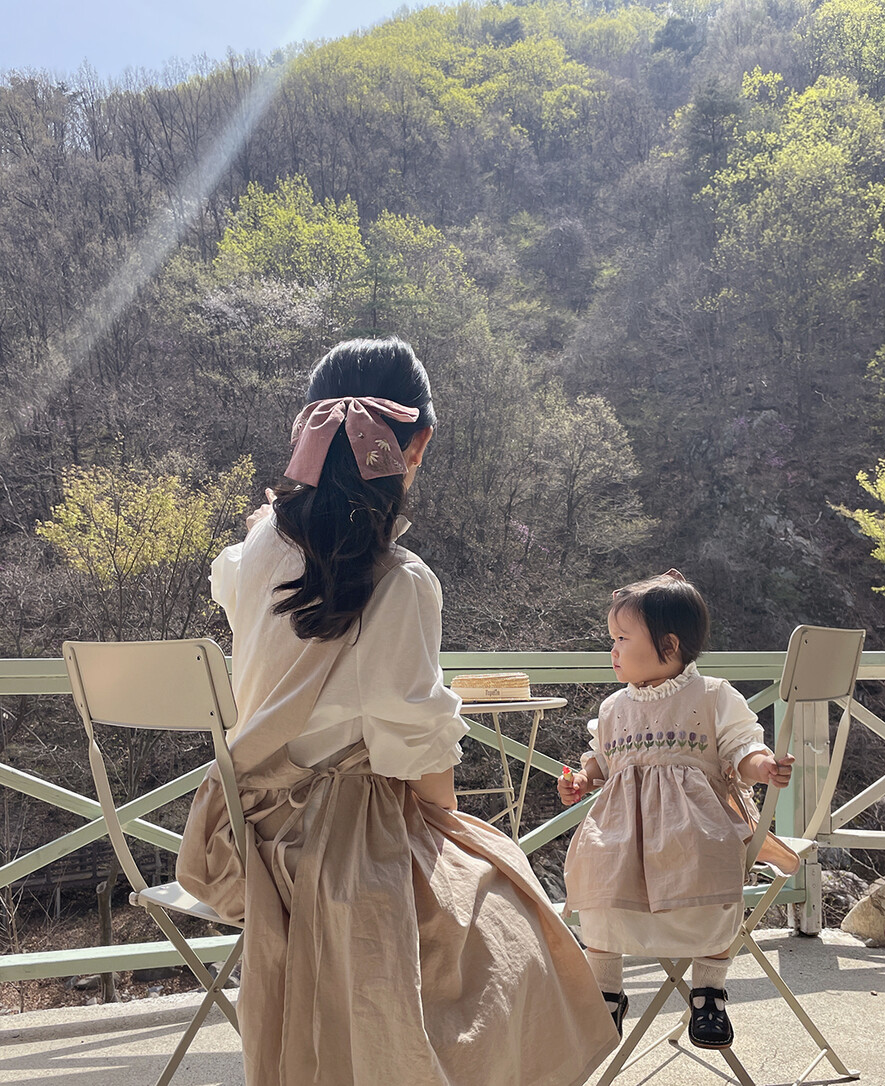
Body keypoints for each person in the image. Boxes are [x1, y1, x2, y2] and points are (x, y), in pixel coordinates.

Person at [177, 337, 619, 1086]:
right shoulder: (402, 582)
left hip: (243, 831)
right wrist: (452, 830)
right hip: (339, 843)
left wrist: (263, 525)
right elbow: (416, 753)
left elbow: (237, 571)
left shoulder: (256, 555)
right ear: (418, 446)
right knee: (507, 903)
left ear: (309, 438)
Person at [557, 570, 794, 1049]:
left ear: (668, 646)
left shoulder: (710, 695)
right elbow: (603, 760)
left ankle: (708, 989)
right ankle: (606, 990)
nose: (613, 651)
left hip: (698, 823)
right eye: (612, 639)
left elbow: (741, 747)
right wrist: (583, 780)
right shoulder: (613, 707)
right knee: (596, 874)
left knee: (710, 870)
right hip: (624, 831)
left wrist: (762, 765)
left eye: (622, 639)